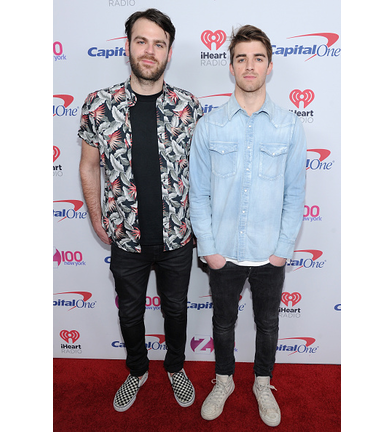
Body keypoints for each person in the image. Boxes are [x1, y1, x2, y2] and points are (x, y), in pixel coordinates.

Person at [78, 8, 203, 412]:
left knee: (176, 311)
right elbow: (87, 165)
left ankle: (175, 366)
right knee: (130, 314)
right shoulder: (99, 105)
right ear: (128, 44)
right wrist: (97, 217)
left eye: (159, 44)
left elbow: (204, 173)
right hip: (125, 239)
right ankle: (136, 370)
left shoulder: (190, 107)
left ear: (168, 52)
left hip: (178, 238)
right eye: (141, 41)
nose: (149, 51)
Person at [189, 25, 306, 427]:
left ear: (269, 67)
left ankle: (261, 381)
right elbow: (199, 193)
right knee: (222, 322)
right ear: (231, 66)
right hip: (223, 250)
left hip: (269, 251)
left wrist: (282, 249)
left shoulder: (289, 125)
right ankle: (223, 380)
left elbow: (294, 194)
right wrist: (208, 247)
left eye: (257, 58)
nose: (249, 65)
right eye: (241, 58)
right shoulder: (210, 125)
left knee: (268, 323)